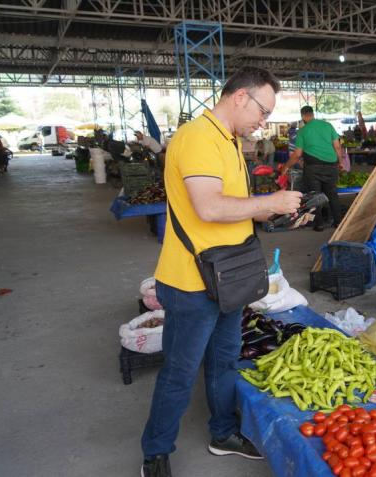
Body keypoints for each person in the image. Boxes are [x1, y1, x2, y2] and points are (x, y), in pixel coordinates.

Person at [141, 66, 302, 477]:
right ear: (240, 97)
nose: (263, 122)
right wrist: (271, 203)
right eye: (263, 111)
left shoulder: (228, 140)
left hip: (227, 275)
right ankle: (155, 452)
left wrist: (273, 212)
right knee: (180, 371)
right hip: (192, 281)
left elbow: (232, 205)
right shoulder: (198, 138)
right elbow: (209, 207)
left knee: (225, 360)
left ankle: (223, 432)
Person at [280, 105, 344, 232]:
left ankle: (319, 224)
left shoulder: (302, 131)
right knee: (332, 195)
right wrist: (340, 162)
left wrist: (286, 167)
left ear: (303, 116)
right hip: (331, 166)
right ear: (312, 114)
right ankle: (338, 223)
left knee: (315, 197)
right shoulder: (327, 126)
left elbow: (297, 154)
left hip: (313, 168)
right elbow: (337, 146)